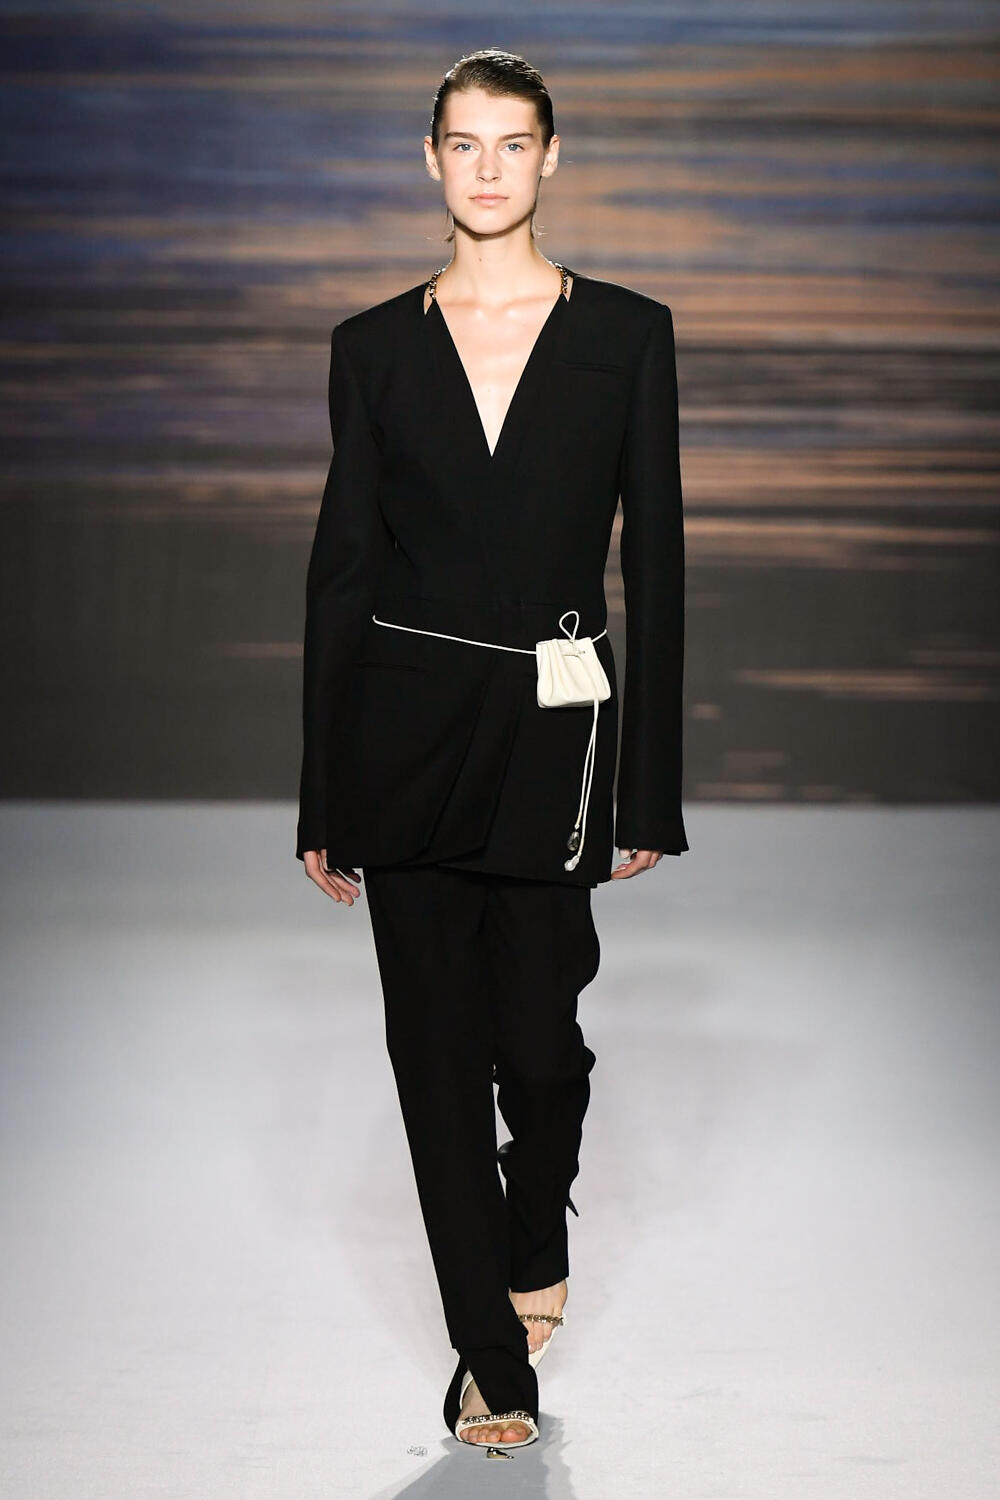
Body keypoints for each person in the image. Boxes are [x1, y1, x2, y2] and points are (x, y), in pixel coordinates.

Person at [295, 49, 688, 1450]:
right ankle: (488, 1360)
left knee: (543, 1046)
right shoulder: (373, 348)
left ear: (550, 157)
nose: (486, 169)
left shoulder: (626, 335)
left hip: (555, 739)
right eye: (463, 144)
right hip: (401, 743)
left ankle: (537, 1223)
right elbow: (342, 574)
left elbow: (660, 563)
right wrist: (323, 795)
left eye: (511, 145)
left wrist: (649, 788)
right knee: (435, 1059)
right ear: (430, 158)